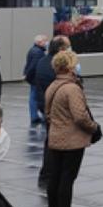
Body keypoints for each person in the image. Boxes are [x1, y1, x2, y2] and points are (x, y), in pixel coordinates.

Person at [44, 50, 99, 207]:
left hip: (55, 137)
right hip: (72, 140)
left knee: (55, 177)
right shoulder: (72, 88)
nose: (77, 67)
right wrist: (94, 127)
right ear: (69, 67)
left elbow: (48, 113)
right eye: (75, 64)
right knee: (67, 178)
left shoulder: (53, 86)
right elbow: (80, 117)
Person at [33, 36, 70, 190]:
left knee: (51, 141)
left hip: (46, 106)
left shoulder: (43, 61)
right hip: (56, 108)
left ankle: (48, 175)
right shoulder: (55, 65)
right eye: (67, 47)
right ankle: (49, 176)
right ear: (61, 49)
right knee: (54, 143)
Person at [22, 35, 49, 126]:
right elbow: (33, 66)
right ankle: (35, 116)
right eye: (45, 41)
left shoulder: (33, 50)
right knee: (36, 97)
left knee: (33, 96)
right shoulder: (38, 52)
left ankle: (34, 116)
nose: (46, 43)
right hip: (36, 78)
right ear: (39, 42)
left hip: (33, 78)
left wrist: (26, 74)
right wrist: (28, 76)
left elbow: (28, 64)